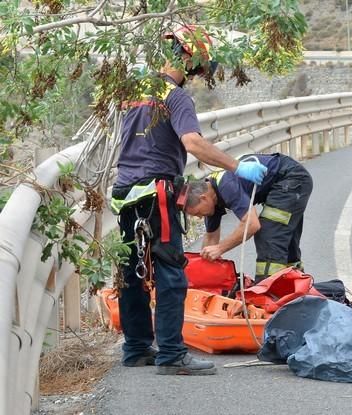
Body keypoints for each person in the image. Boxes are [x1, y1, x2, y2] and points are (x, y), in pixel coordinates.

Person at [110, 25, 268, 376]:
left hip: (124, 193)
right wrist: (236, 166)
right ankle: (171, 354)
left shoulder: (136, 89)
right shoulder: (174, 96)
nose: (196, 76)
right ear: (191, 58)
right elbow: (193, 143)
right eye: (197, 68)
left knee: (132, 273)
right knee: (170, 274)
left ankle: (136, 349)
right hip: (156, 194)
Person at [183, 153, 313, 283]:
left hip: (292, 179)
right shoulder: (212, 196)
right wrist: (203, 276)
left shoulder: (227, 186)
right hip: (284, 183)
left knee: (269, 234)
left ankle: (270, 291)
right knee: (284, 239)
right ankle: (295, 283)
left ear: (203, 198)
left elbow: (252, 224)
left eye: (197, 213)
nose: (199, 217)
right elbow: (211, 238)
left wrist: (220, 248)